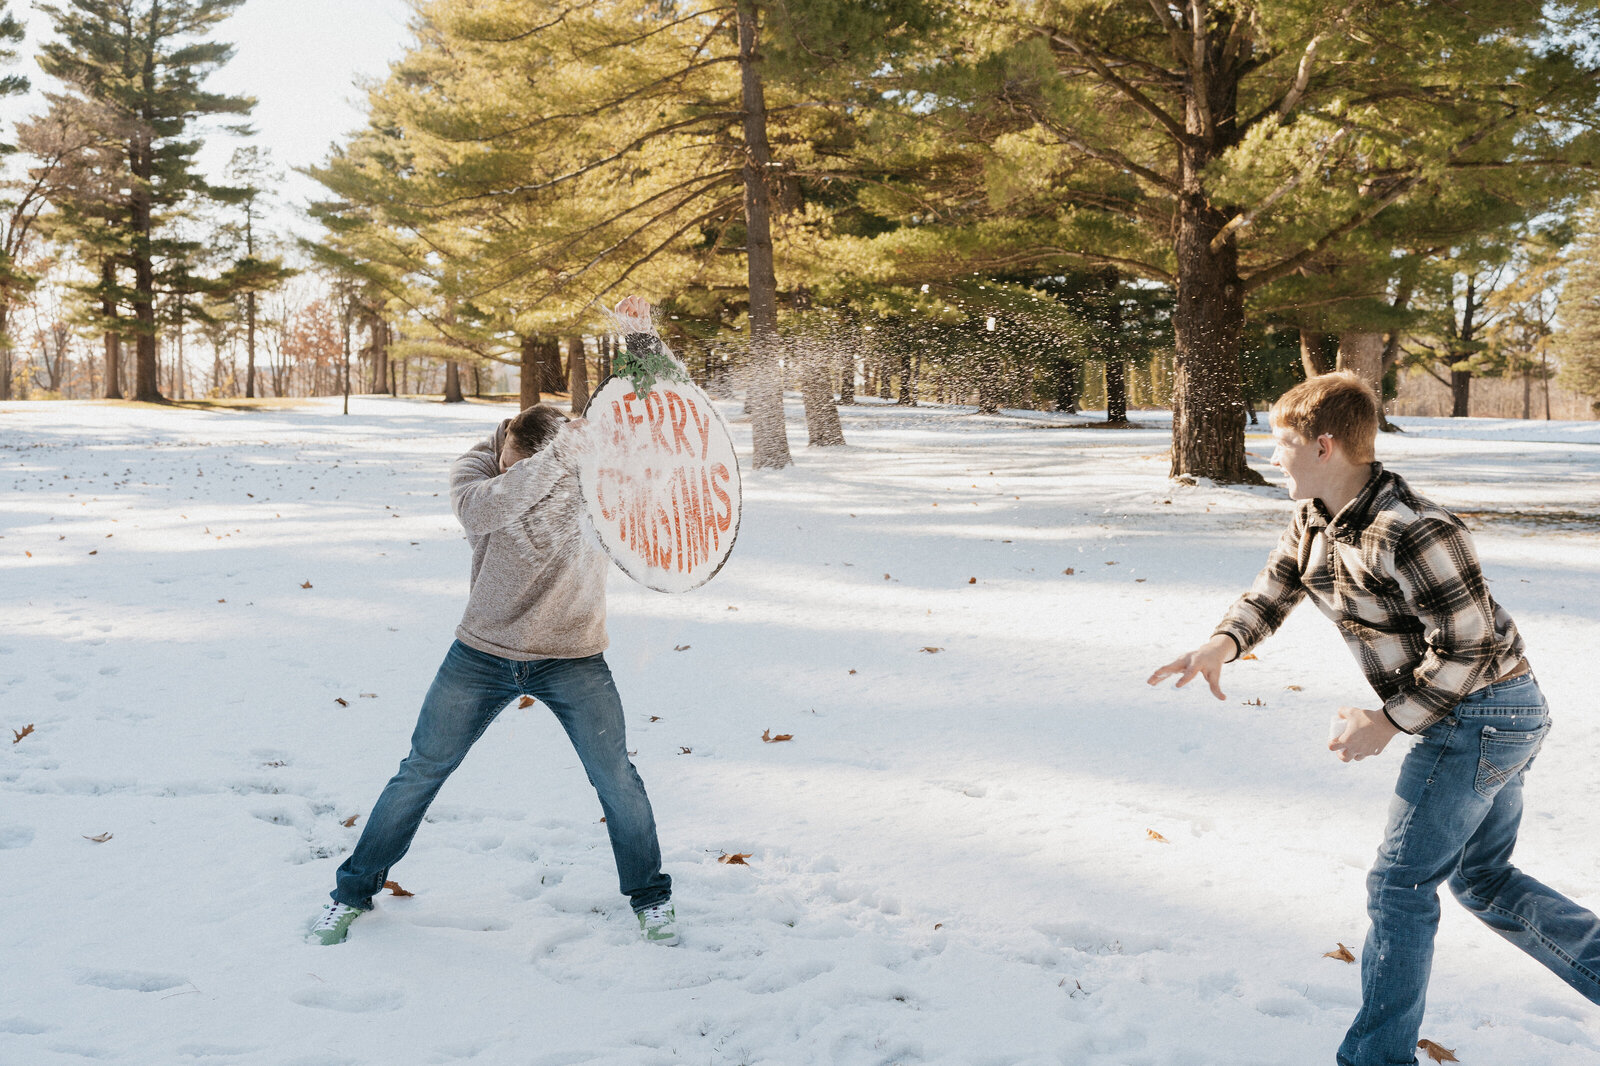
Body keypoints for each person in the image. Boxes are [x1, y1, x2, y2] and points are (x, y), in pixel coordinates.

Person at [1148, 372, 1599, 1065]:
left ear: (1324, 447)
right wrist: (1222, 643)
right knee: (1483, 880)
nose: (1273, 456)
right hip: (1485, 715)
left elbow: (1471, 647)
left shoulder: (1412, 529)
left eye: (1282, 443)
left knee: (1399, 886)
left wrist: (1388, 721)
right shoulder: (1313, 517)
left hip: (1483, 712)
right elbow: (1271, 590)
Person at [309, 338, 676, 948]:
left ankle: (651, 897)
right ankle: (351, 894)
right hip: (480, 656)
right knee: (420, 772)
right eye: (509, 458)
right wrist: (554, 459)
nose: (510, 468)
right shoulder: (476, 472)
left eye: (521, 461)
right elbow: (485, 510)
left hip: (573, 657)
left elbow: (651, 450)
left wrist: (642, 357)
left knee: (616, 779)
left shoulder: (592, 477)